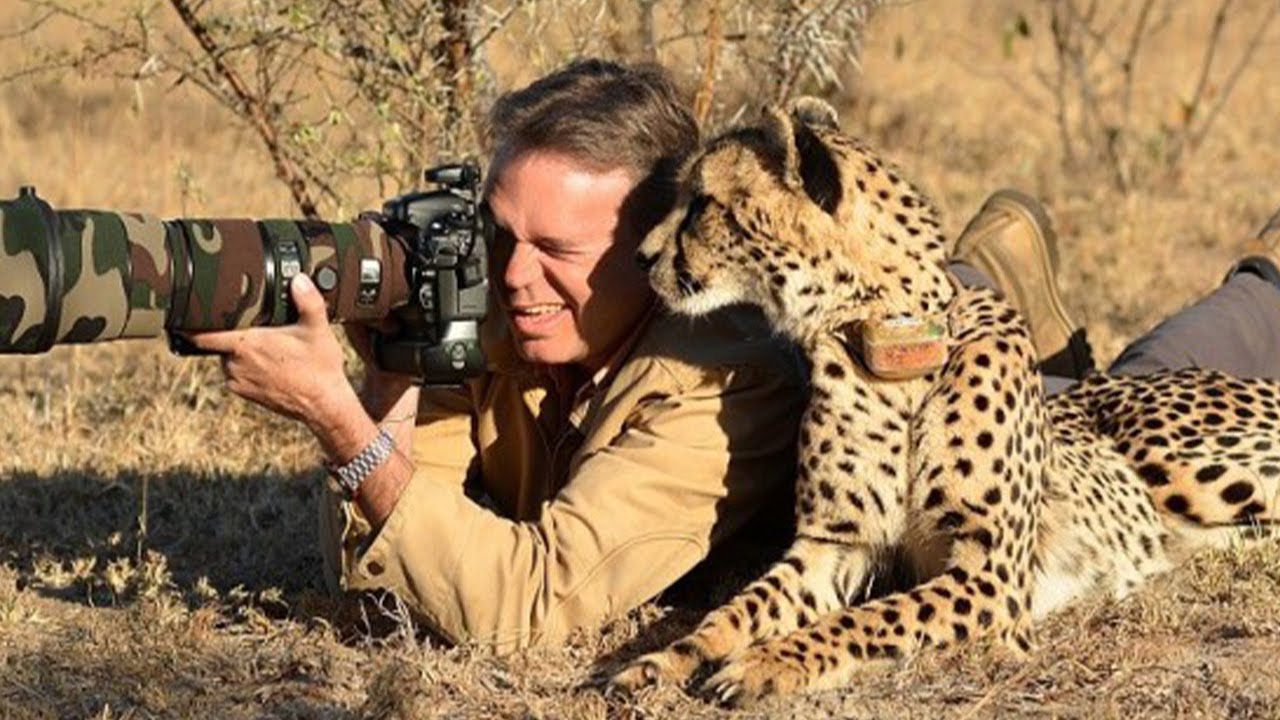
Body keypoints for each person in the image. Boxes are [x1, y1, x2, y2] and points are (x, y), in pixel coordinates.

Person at [187, 58, 1280, 652]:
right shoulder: (516, 312)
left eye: (555, 252)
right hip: (878, 342)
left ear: (650, 248)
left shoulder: (718, 377)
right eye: (496, 236)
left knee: (1136, 412)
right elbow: (384, 562)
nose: (512, 278)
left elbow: (523, 608)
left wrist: (339, 425)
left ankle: (1241, 281)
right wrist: (385, 377)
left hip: (959, 396)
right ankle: (1001, 287)